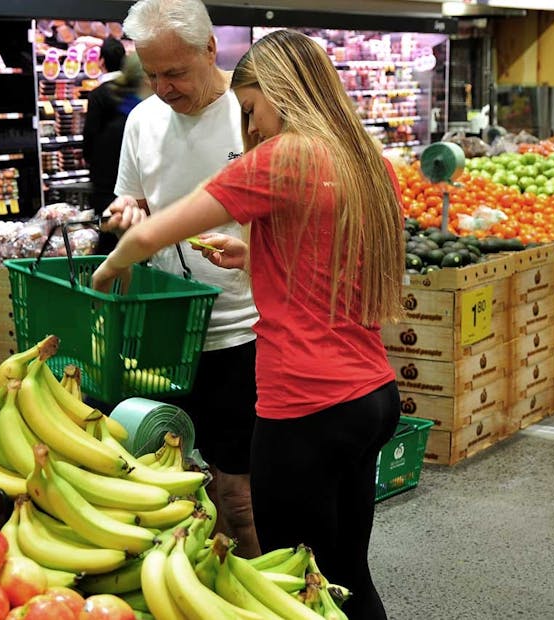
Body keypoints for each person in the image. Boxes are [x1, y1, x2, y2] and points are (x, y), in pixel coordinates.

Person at [92, 28, 405, 619]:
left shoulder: (285, 155)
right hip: (370, 396)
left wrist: (107, 271)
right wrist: (253, 254)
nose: (253, 126)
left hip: (305, 404)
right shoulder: (365, 160)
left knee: (289, 585)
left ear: (284, 91)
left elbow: (155, 230)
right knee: (343, 575)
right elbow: (332, 263)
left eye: (253, 109)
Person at [103, 0, 262, 558]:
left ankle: (258, 586)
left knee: (239, 495)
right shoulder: (142, 120)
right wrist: (125, 213)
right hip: (167, 333)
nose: (163, 88)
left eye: (176, 73)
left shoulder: (255, 114)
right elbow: (133, 199)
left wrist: (255, 250)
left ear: (211, 50)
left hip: (244, 331)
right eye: (152, 75)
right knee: (176, 484)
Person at [82, 38, 149, 254]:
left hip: (106, 186)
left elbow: (90, 141)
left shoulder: (102, 97)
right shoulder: (140, 119)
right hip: (119, 199)